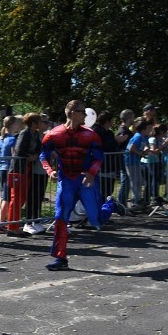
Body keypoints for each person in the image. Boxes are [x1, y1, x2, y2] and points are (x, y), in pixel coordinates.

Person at [40, 100, 124, 271]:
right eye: (82, 112)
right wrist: (49, 171)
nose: (86, 115)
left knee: (96, 220)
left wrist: (92, 173)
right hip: (66, 181)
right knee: (60, 218)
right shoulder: (54, 134)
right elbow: (44, 155)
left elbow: (99, 157)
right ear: (72, 113)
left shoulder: (91, 134)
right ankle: (60, 257)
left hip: (86, 181)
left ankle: (110, 204)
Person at [8, 113, 42, 235]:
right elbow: (19, 152)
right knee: (16, 199)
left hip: (28, 169)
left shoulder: (36, 134)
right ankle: (12, 227)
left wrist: (35, 156)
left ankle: (15, 225)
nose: (42, 123)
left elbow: (39, 149)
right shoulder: (24, 134)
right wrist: (30, 157)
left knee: (22, 199)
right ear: (33, 123)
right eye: (39, 121)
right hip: (18, 169)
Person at [0, 115, 22, 235]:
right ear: (12, 125)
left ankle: (1, 220)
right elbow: (14, 156)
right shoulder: (12, 139)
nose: (19, 126)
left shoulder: (0, 139)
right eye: (17, 123)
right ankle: (1, 223)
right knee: (6, 196)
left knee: (2, 194)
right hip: (7, 169)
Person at [125, 119, 153, 210]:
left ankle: (138, 199)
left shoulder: (144, 136)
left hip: (136, 161)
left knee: (139, 180)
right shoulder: (138, 136)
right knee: (135, 181)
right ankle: (136, 201)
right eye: (148, 128)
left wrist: (145, 150)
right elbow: (131, 148)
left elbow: (144, 144)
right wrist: (140, 153)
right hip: (130, 161)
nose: (150, 129)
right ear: (143, 129)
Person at [115, 109, 135, 207]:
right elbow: (118, 143)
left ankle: (122, 204)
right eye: (132, 117)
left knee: (126, 180)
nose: (134, 119)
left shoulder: (127, 130)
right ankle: (121, 204)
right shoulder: (122, 130)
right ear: (128, 118)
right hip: (124, 160)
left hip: (127, 159)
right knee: (125, 180)